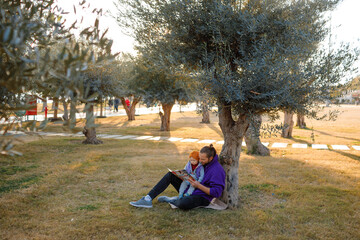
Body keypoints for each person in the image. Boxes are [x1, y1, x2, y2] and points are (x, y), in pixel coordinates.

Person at [129, 144, 225, 210]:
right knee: (171, 174)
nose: (200, 160)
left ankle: (172, 200)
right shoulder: (203, 162)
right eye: (199, 158)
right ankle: (148, 199)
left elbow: (216, 192)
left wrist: (198, 185)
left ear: (211, 158)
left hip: (201, 197)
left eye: (202, 159)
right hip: (190, 187)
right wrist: (184, 174)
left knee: (182, 204)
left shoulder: (217, 170)